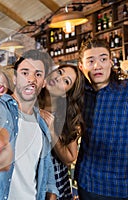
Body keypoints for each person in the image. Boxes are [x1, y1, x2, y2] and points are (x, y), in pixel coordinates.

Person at [0, 49, 59, 200]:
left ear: (43, 83)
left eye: (38, 74)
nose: (31, 79)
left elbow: (46, 168)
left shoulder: (41, 121)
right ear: (15, 78)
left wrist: (52, 193)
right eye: (25, 73)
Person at [75, 37, 128, 200]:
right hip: (85, 184)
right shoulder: (80, 96)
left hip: (120, 190)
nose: (97, 65)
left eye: (103, 59)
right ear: (81, 67)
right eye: (91, 61)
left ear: (111, 62)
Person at [39, 64, 85, 200]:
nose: (59, 78)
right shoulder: (29, 101)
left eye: (66, 81)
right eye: (60, 72)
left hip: (56, 182)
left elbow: (70, 158)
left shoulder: (68, 117)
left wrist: (52, 130)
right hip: (29, 179)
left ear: (68, 92)